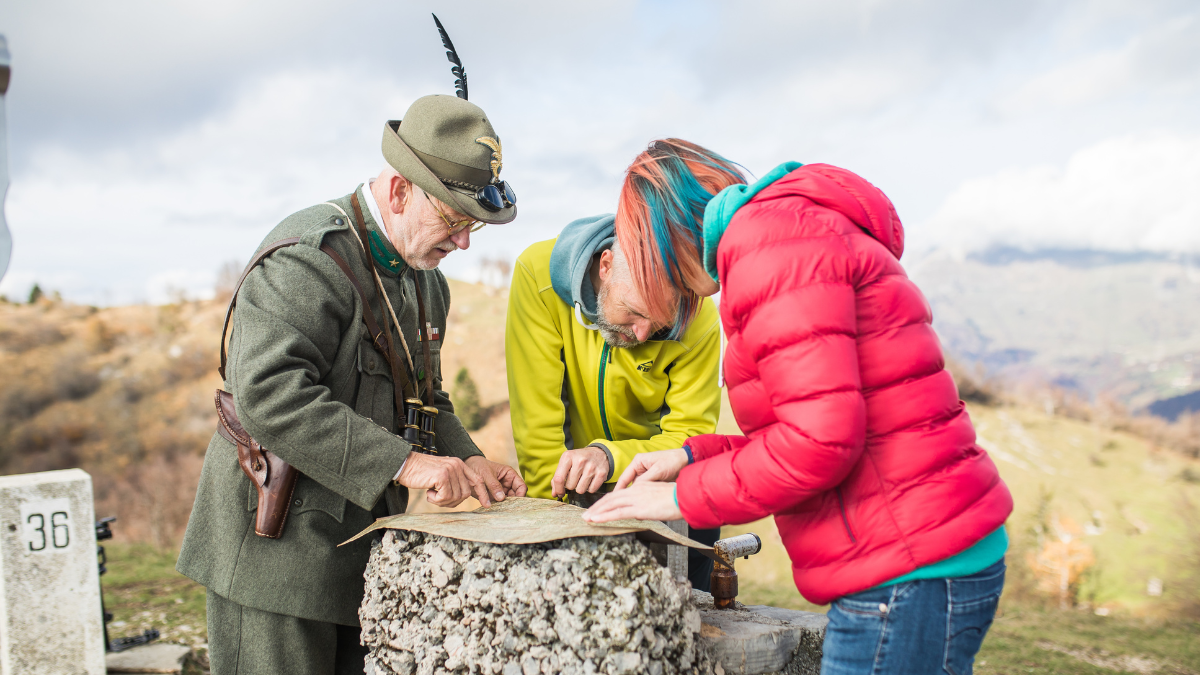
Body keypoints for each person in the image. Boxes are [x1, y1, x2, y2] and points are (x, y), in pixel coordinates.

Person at [584, 139, 1014, 674]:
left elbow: (819, 445)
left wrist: (681, 498)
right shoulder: (783, 234)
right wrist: (692, 459)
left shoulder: (769, 246)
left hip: (907, 566)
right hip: (926, 549)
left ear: (661, 236)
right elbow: (808, 424)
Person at [177, 95, 526, 675]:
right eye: (454, 219)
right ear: (399, 192)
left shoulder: (426, 281)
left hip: (357, 561)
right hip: (274, 568)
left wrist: (469, 459)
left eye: (474, 225)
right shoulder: (308, 259)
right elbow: (269, 396)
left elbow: (424, 397)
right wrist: (409, 464)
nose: (465, 243)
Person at [505, 213, 723, 590]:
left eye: (657, 324)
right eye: (635, 312)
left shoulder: (699, 321)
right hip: (574, 495)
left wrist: (608, 457)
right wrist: (550, 535)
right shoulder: (536, 276)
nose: (640, 333)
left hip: (667, 495)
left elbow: (690, 439)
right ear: (606, 265)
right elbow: (537, 434)